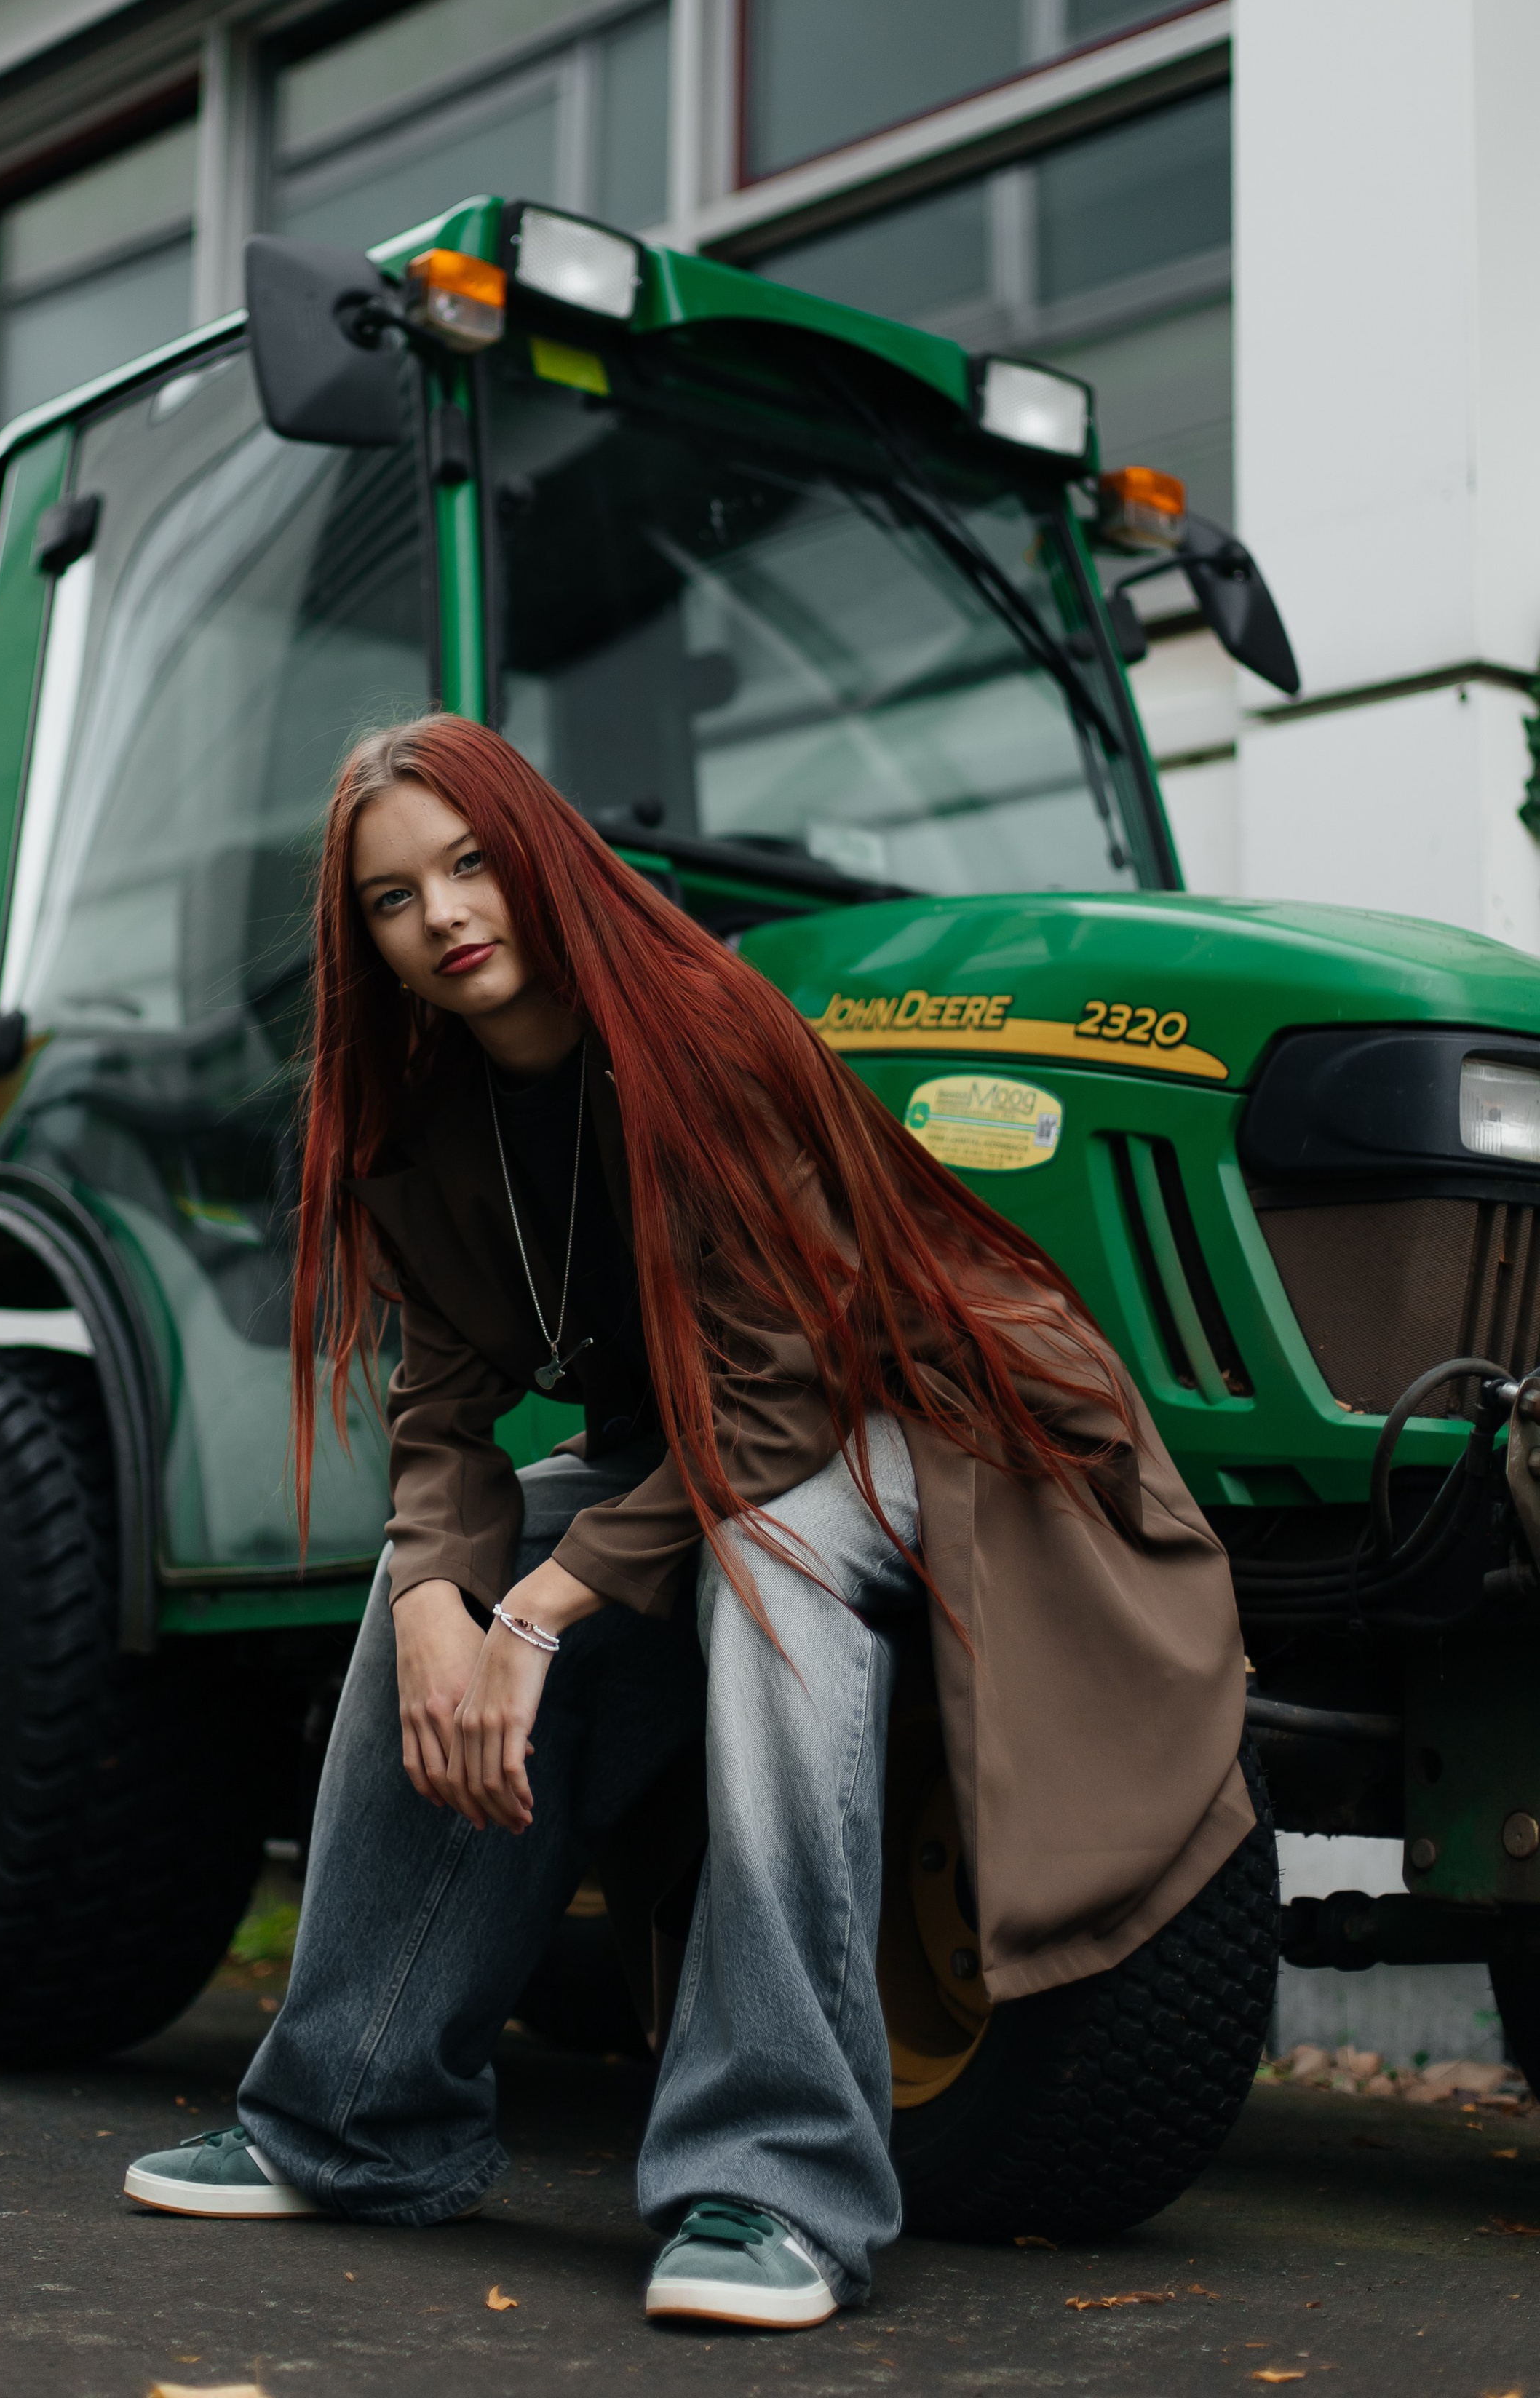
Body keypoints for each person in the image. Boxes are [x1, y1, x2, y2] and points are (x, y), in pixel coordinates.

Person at [124, 715, 1250, 2328]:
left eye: (469, 863)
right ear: (361, 940)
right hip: (701, 1445)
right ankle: (353, 2113)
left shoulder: (703, 1034)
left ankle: (774, 2183)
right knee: (421, 1594)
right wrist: (448, 1605)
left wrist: (540, 1618)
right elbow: (442, 1423)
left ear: (537, 854)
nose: (443, 913)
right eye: (392, 898)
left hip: (927, 1419)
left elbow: (785, 1409)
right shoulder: (421, 1121)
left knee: (772, 1576)